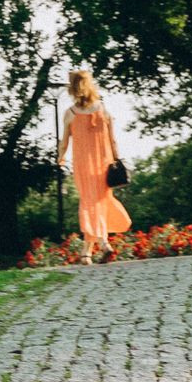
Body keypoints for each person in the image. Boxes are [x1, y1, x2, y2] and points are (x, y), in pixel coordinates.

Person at [60, 69, 133, 261]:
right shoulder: (104, 110)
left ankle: (103, 243)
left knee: (89, 203)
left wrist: (60, 158)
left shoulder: (70, 114)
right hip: (104, 164)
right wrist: (116, 160)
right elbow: (113, 140)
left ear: (72, 89)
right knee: (97, 203)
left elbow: (64, 142)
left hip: (83, 165)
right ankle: (86, 252)